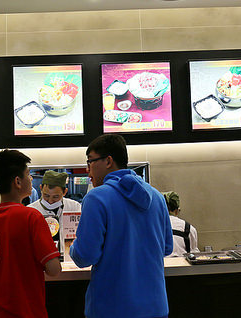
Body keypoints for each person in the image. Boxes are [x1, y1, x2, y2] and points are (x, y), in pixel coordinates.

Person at [70, 134, 172, 318]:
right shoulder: (157, 196)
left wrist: (72, 246)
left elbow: (84, 256)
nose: (87, 169)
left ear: (108, 161)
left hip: (112, 308)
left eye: (90, 162)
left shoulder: (96, 197)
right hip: (155, 307)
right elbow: (166, 248)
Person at [0, 150, 62, 318]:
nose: (31, 178)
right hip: (27, 311)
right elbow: (54, 269)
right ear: (17, 182)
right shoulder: (32, 217)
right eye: (28, 174)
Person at [27, 170, 82, 249]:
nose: (50, 201)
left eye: (56, 197)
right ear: (41, 188)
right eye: (46, 195)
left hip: (68, 253)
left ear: (65, 192)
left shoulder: (75, 207)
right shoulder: (30, 210)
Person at [162, 191, 199, 256]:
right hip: (183, 262)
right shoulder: (189, 228)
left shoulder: (153, 227)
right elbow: (194, 255)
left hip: (161, 262)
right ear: (177, 211)